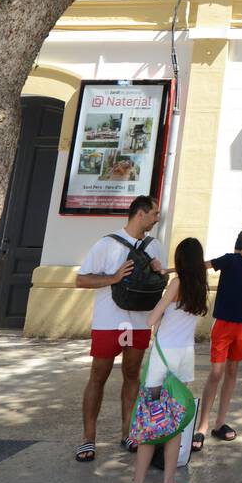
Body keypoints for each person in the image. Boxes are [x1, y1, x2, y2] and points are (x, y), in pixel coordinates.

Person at [73, 195, 165, 462]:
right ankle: (88, 438)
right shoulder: (106, 244)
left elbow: (160, 281)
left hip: (139, 321)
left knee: (132, 374)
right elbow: (81, 279)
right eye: (154, 213)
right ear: (140, 214)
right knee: (98, 375)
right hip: (108, 321)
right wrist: (113, 278)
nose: (157, 217)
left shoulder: (156, 245)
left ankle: (129, 433)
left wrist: (161, 273)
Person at [121, 237, 209, 483]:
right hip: (183, 360)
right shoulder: (200, 288)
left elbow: (150, 320)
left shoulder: (176, 284)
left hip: (162, 361)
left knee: (150, 424)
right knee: (172, 425)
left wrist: (158, 315)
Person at [191, 225, 242, 449]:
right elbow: (199, 266)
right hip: (224, 323)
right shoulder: (229, 260)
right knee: (216, 373)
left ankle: (220, 423)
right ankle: (201, 427)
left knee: (232, 371)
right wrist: (167, 271)